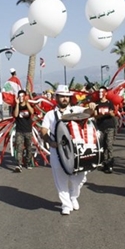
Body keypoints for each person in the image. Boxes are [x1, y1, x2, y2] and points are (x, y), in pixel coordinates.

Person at [40, 85, 95, 215]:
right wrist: (50, 142)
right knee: (60, 178)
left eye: (67, 96)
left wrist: (92, 107)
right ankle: (65, 204)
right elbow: (44, 130)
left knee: (81, 177)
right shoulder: (50, 115)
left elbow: (89, 112)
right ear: (56, 97)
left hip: (77, 149)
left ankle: (73, 196)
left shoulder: (75, 109)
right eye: (62, 96)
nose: (65, 99)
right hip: (58, 149)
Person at [94, 86, 116, 173]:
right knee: (102, 146)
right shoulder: (97, 104)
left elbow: (113, 114)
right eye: (99, 92)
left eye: (102, 92)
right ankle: (105, 163)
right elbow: (95, 115)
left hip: (110, 127)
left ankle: (110, 164)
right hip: (100, 127)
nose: (100, 94)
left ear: (105, 93)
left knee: (109, 145)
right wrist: (103, 115)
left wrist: (108, 113)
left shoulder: (110, 103)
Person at [13, 89, 35, 172]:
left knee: (29, 148)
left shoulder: (28, 105)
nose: (21, 97)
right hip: (19, 130)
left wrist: (27, 103)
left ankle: (28, 162)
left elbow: (32, 112)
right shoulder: (16, 106)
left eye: (23, 96)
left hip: (28, 130)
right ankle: (19, 164)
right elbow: (15, 114)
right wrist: (17, 104)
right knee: (19, 148)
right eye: (20, 96)